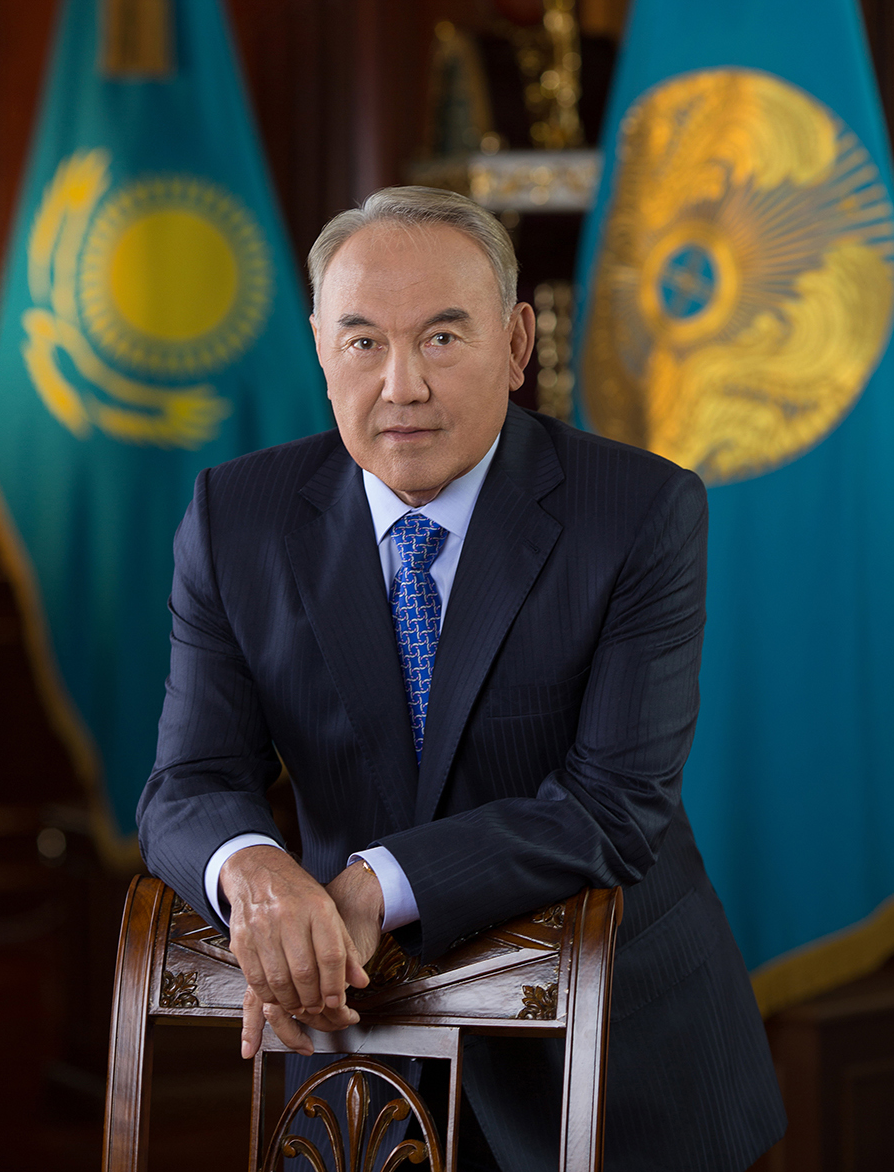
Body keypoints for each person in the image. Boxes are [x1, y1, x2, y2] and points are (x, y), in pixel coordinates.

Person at [137, 186, 786, 1171]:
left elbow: (613, 808)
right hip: (358, 1064)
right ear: (320, 349)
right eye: (363, 342)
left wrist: (374, 884)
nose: (402, 386)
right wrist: (256, 875)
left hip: (617, 1067)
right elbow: (188, 783)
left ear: (517, 344)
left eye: (442, 338)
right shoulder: (238, 518)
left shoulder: (638, 513)